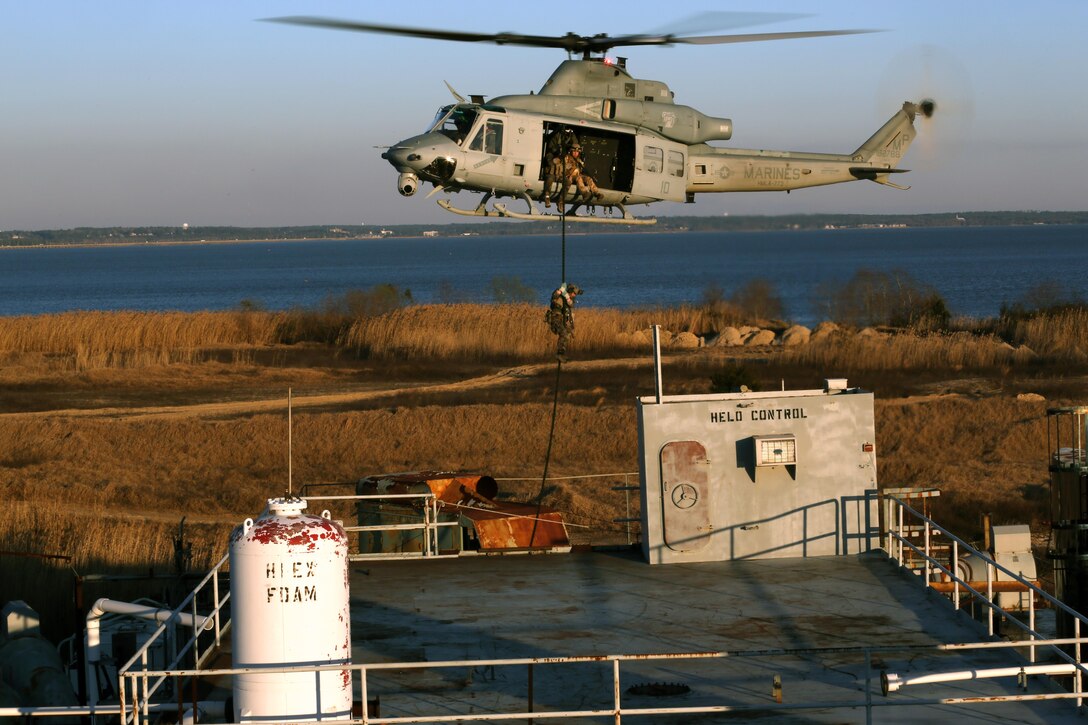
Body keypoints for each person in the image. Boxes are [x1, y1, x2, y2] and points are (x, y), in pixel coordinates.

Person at [545, 282, 582, 360]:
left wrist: (570, 326)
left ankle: (562, 353)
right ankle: (559, 354)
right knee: (564, 333)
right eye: (574, 293)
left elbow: (568, 315)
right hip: (555, 319)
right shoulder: (560, 295)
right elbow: (554, 297)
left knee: (567, 334)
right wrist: (561, 291)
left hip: (561, 320)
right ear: (570, 291)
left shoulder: (568, 301)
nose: (575, 296)